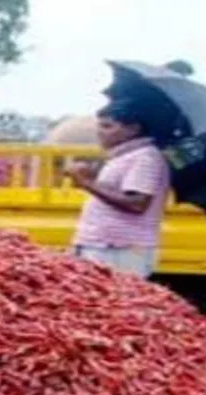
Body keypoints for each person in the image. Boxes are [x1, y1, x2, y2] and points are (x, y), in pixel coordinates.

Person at [66, 101, 171, 279]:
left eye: (107, 126)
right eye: (99, 126)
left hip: (120, 250)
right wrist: (92, 176)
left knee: (115, 301)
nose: (99, 132)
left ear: (133, 129)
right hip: (106, 246)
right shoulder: (126, 156)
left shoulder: (145, 158)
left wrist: (86, 182)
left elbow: (137, 203)